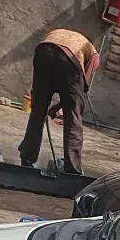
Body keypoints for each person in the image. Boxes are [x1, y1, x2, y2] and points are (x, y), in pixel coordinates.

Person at [18, 28, 100, 175]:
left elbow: (51, 61)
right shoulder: (92, 52)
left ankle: (27, 159)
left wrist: (52, 104)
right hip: (68, 60)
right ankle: (72, 170)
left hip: (43, 52)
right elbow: (80, 89)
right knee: (73, 119)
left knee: (37, 112)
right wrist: (64, 106)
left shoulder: (59, 33)